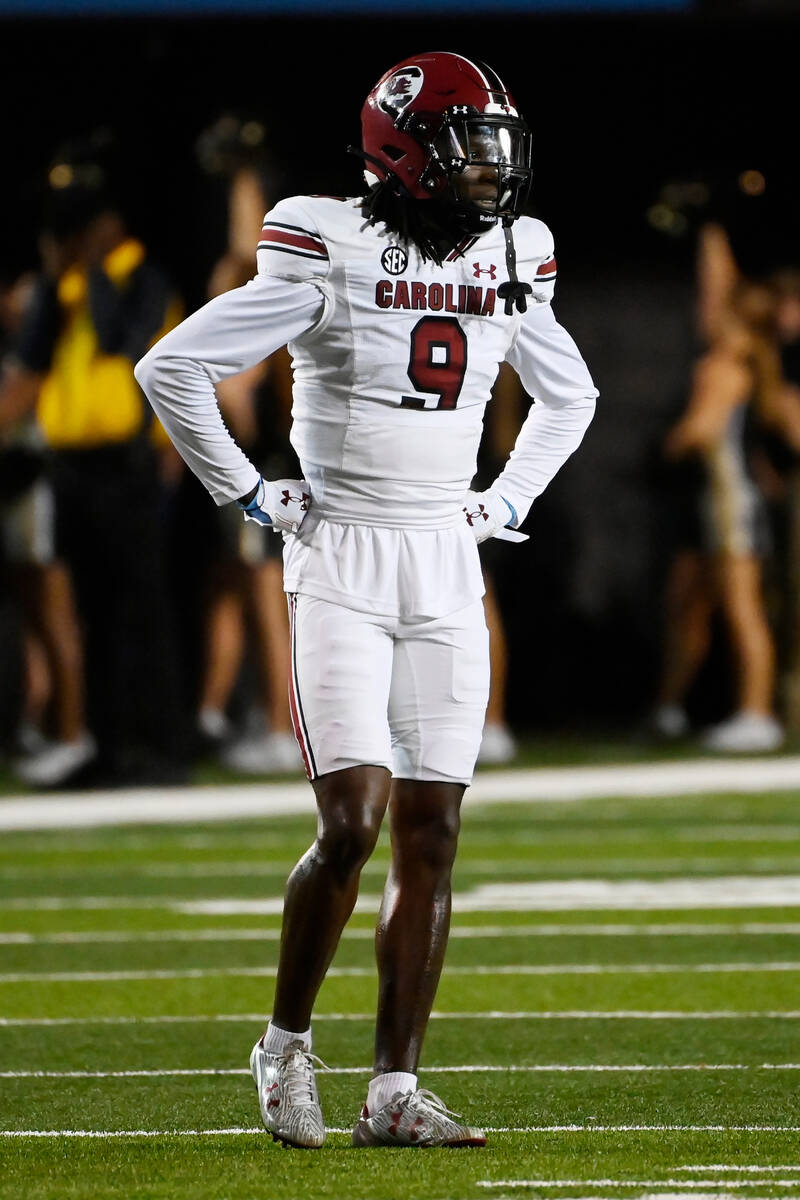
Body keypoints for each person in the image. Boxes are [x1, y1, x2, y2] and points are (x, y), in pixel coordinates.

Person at [136, 51, 597, 1148]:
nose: (490, 170)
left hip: (444, 555)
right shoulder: (322, 239)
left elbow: (565, 394)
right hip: (339, 550)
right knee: (351, 822)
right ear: (401, 151)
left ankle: (394, 1092)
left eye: (496, 145)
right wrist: (249, 494)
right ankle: (284, 1043)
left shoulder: (513, 253)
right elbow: (171, 370)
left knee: (433, 828)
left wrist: (500, 503)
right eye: (465, 145)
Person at [0, 148, 188, 785]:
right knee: (93, 612)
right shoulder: (63, 287)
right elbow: (32, 364)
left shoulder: (142, 276)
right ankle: (107, 748)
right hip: (71, 469)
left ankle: (162, 748)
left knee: (144, 609)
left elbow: (117, 339)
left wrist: (88, 271)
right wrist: (57, 279)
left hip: (130, 465)